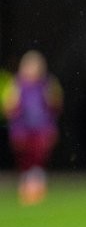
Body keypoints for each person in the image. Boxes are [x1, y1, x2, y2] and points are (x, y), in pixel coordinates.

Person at [2, 51, 63, 205]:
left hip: (42, 128)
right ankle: (26, 187)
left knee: (39, 157)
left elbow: (56, 105)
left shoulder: (47, 83)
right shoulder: (17, 84)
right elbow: (9, 106)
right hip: (22, 129)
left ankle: (37, 187)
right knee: (25, 159)